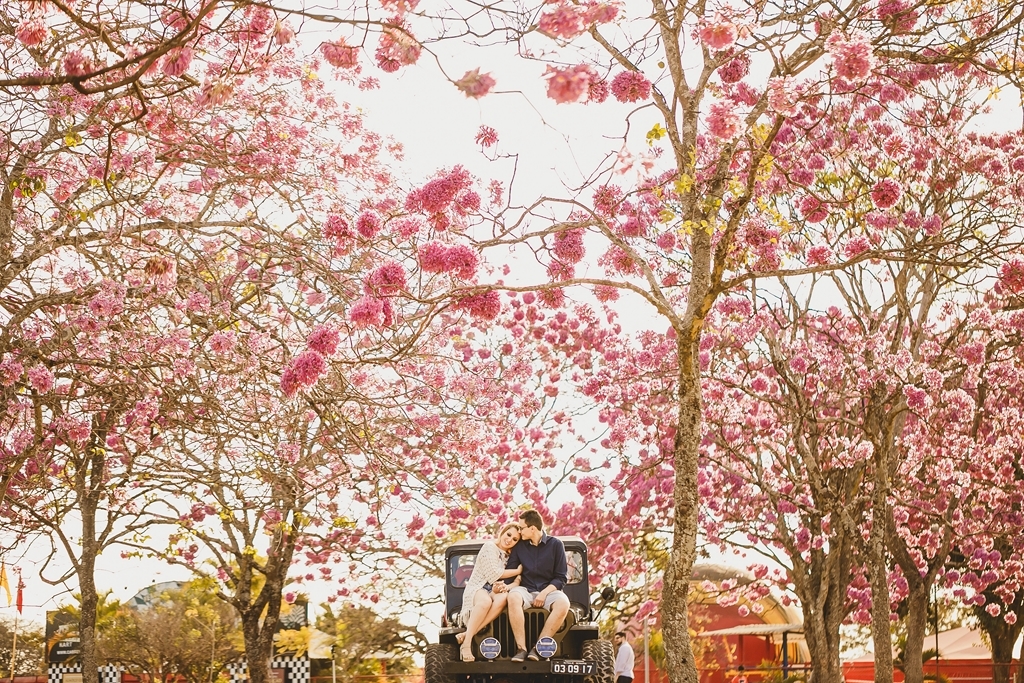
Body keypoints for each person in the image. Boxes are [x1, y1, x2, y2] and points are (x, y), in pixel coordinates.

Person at [503, 509, 570, 662]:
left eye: (521, 528)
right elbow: (511, 572)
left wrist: (544, 593)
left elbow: (561, 578)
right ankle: (521, 649)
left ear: (532, 528)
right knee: (513, 597)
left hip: (549, 589)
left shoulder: (556, 545)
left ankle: (539, 648)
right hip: (525, 588)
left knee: (564, 603)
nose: (519, 531)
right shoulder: (520, 547)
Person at [455, 521, 523, 662]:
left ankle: (468, 633)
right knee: (485, 602)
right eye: (508, 534)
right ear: (503, 532)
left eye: (515, 539)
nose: (510, 539)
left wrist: (509, 585)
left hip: (493, 589)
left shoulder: (510, 557)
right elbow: (493, 574)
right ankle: (466, 644)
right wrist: (517, 571)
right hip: (478, 587)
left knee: (503, 598)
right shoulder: (489, 547)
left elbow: (517, 581)